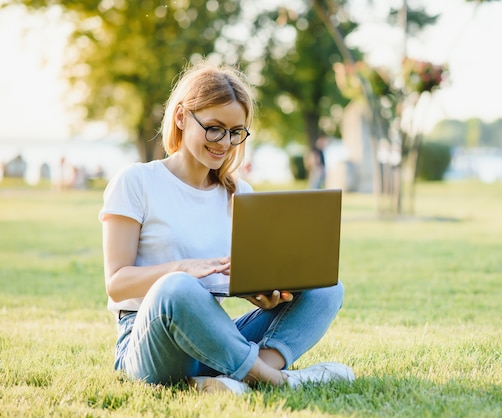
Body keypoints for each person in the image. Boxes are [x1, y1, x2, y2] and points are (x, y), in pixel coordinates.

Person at [99, 60, 354, 395]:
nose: (224, 142)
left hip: (211, 337)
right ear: (181, 117)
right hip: (149, 342)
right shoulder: (136, 181)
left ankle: (227, 378)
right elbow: (117, 284)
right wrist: (182, 269)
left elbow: (236, 280)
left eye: (236, 133)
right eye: (215, 128)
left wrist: (263, 295)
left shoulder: (239, 193)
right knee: (177, 287)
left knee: (327, 288)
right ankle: (277, 380)